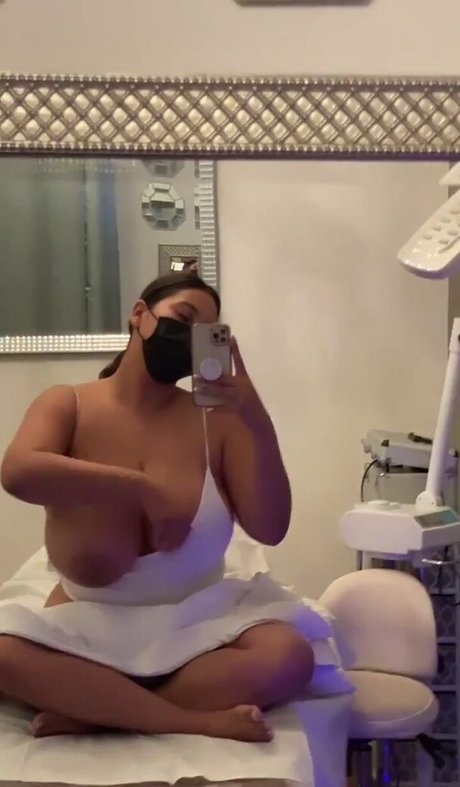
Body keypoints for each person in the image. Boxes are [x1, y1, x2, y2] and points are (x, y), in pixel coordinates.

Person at [0, 272, 314, 743]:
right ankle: (191, 719)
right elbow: (18, 472)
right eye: (183, 318)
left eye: (205, 331)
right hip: (88, 628)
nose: (188, 338)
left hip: (197, 627)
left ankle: (99, 708)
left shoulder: (217, 422)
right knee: (4, 654)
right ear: (139, 314)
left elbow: (271, 528)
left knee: (289, 657)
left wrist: (256, 420)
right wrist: (145, 490)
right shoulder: (68, 404)